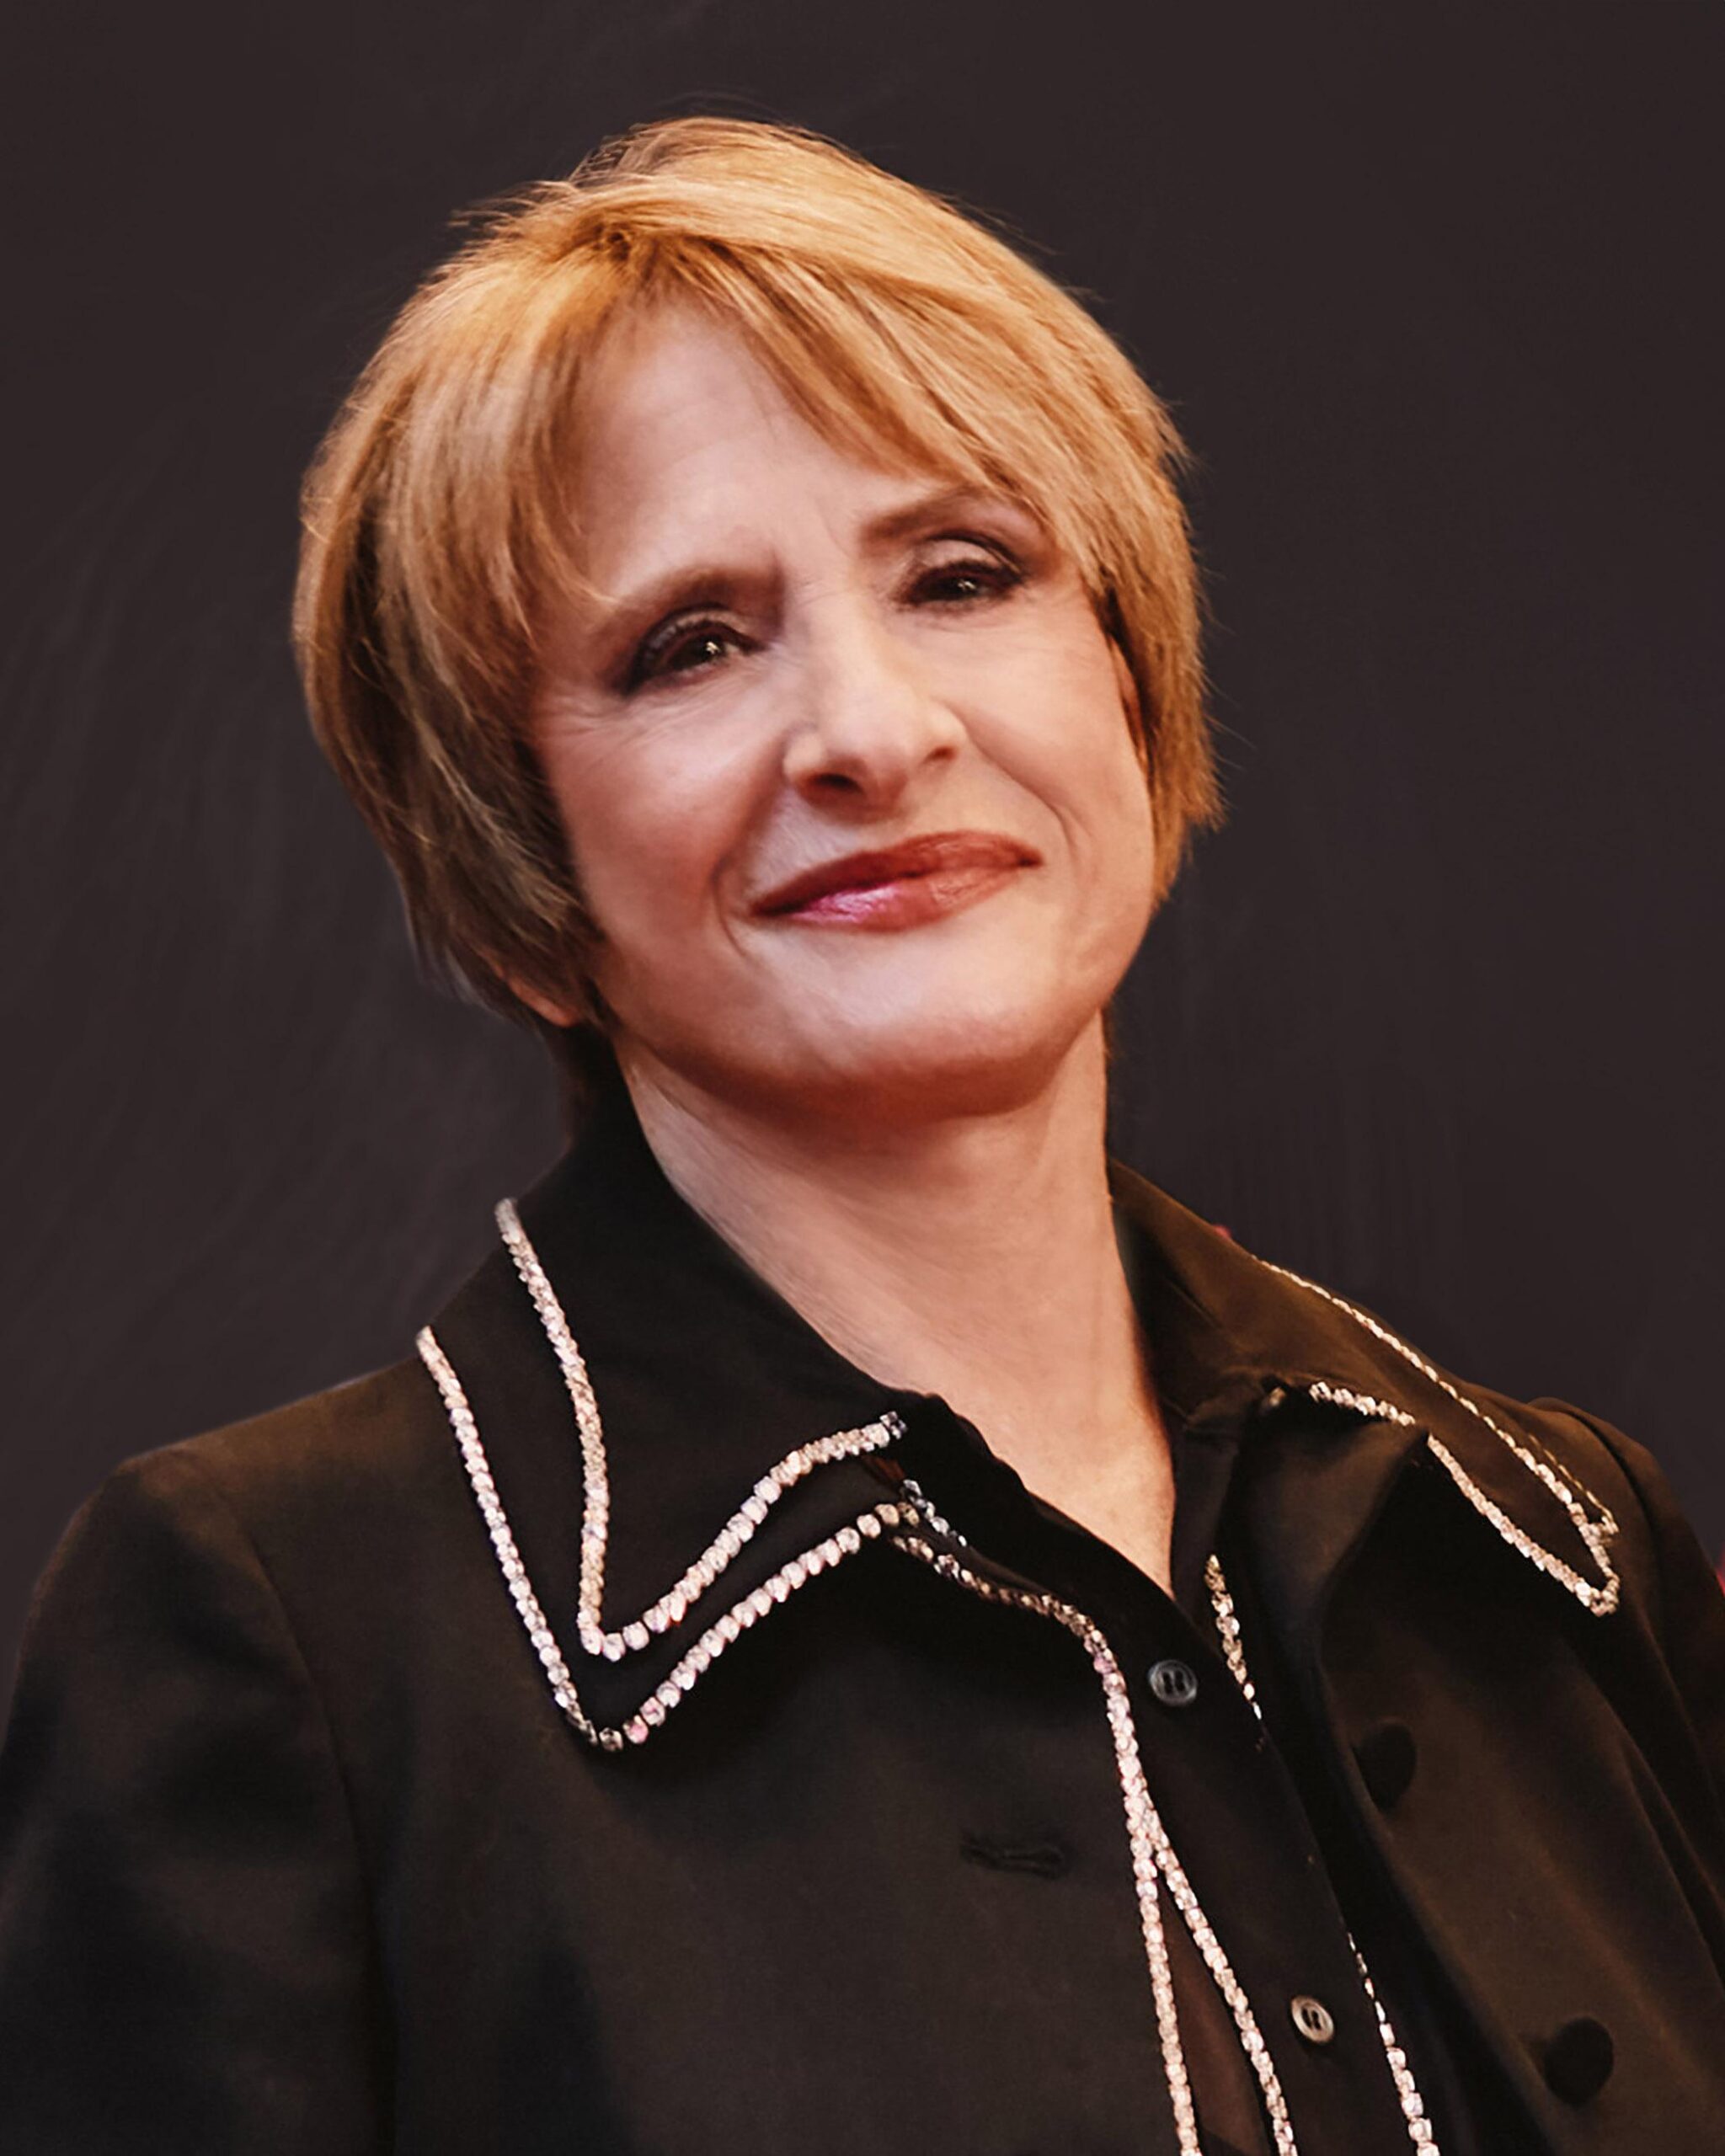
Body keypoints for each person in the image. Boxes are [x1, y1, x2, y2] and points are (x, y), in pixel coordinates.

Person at [1, 115, 1722, 2156]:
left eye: (962, 575)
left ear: (1130, 688)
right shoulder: (282, 1635)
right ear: (521, 869)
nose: (879, 732)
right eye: (692, 645)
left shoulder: (1557, 1539)